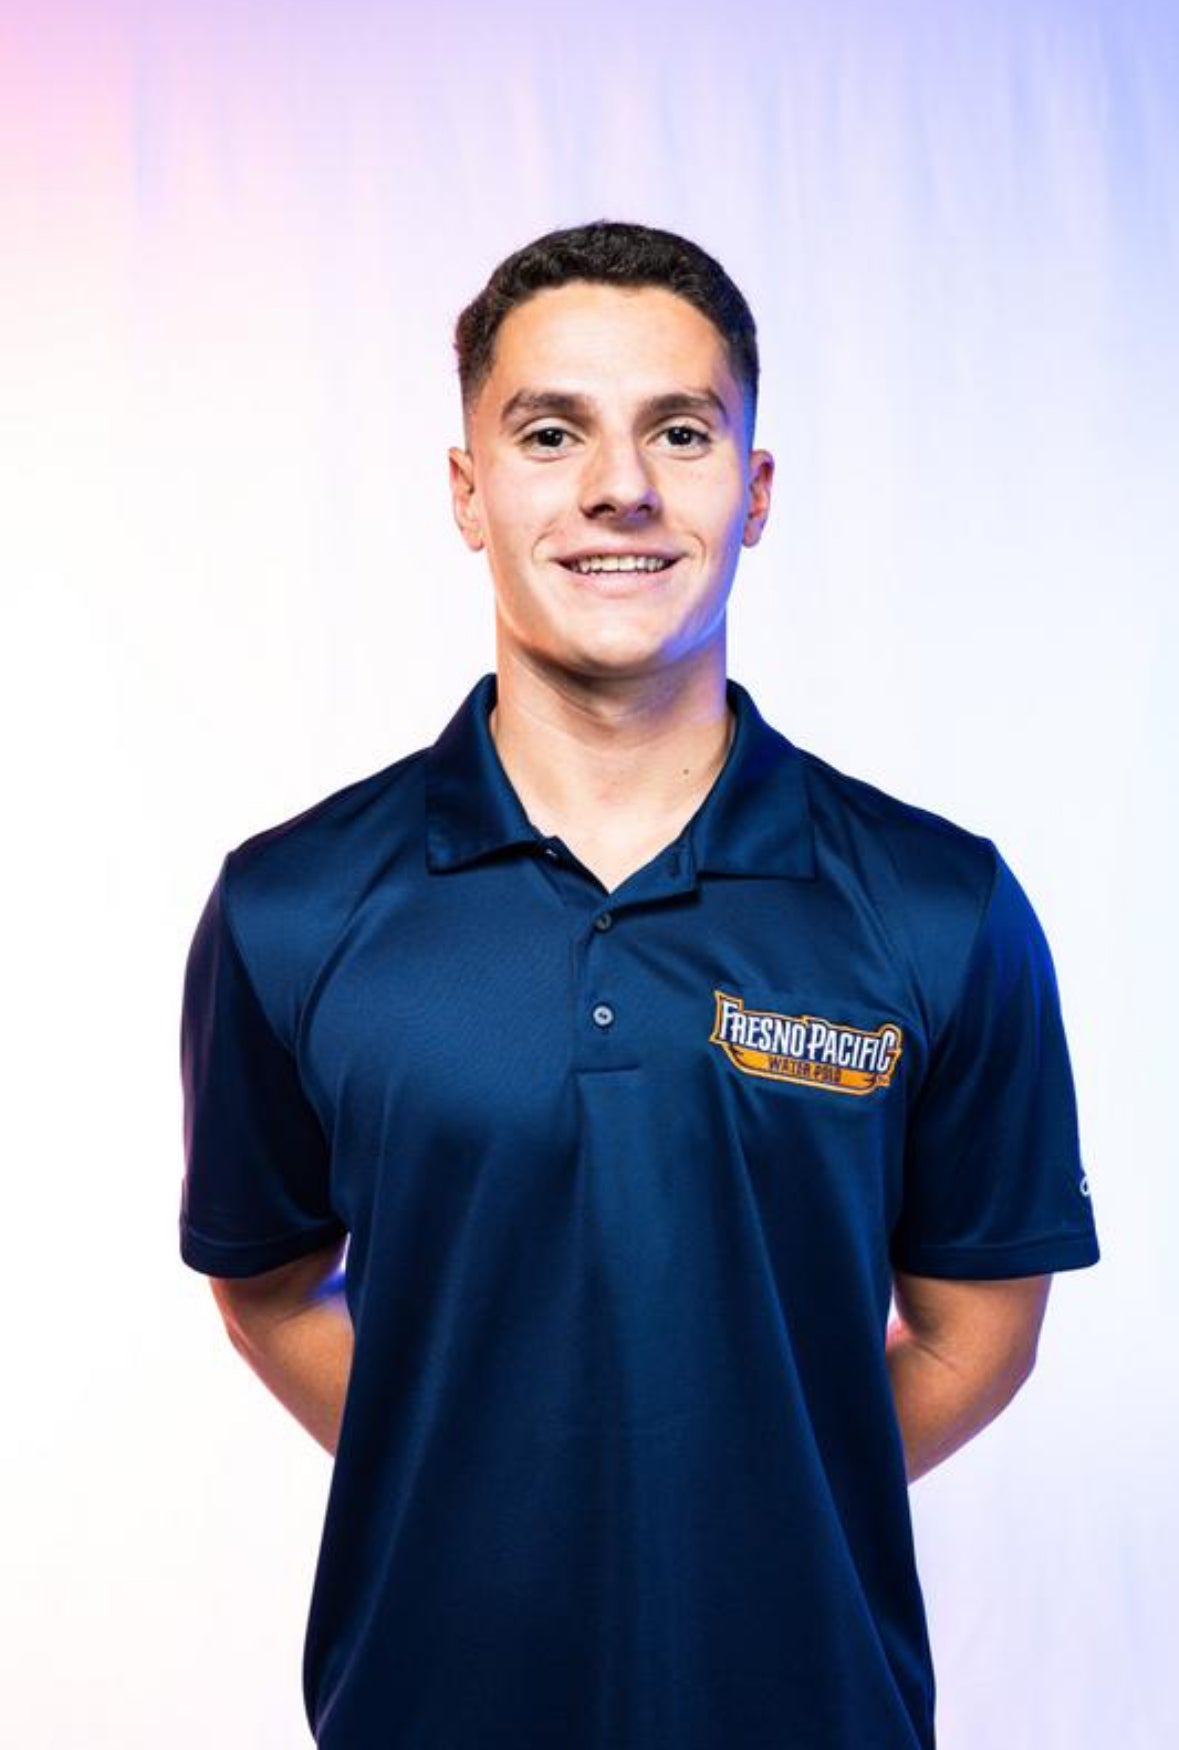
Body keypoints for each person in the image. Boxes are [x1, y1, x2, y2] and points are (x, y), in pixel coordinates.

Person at [178, 219, 1101, 1749]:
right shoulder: (296, 906)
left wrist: (748, 1487)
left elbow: (976, 1331)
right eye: (552, 432)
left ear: (756, 489)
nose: (622, 485)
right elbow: (266, 1286)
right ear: (468, 490)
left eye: (681, 429)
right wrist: (481, 1476)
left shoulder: (940, 907)